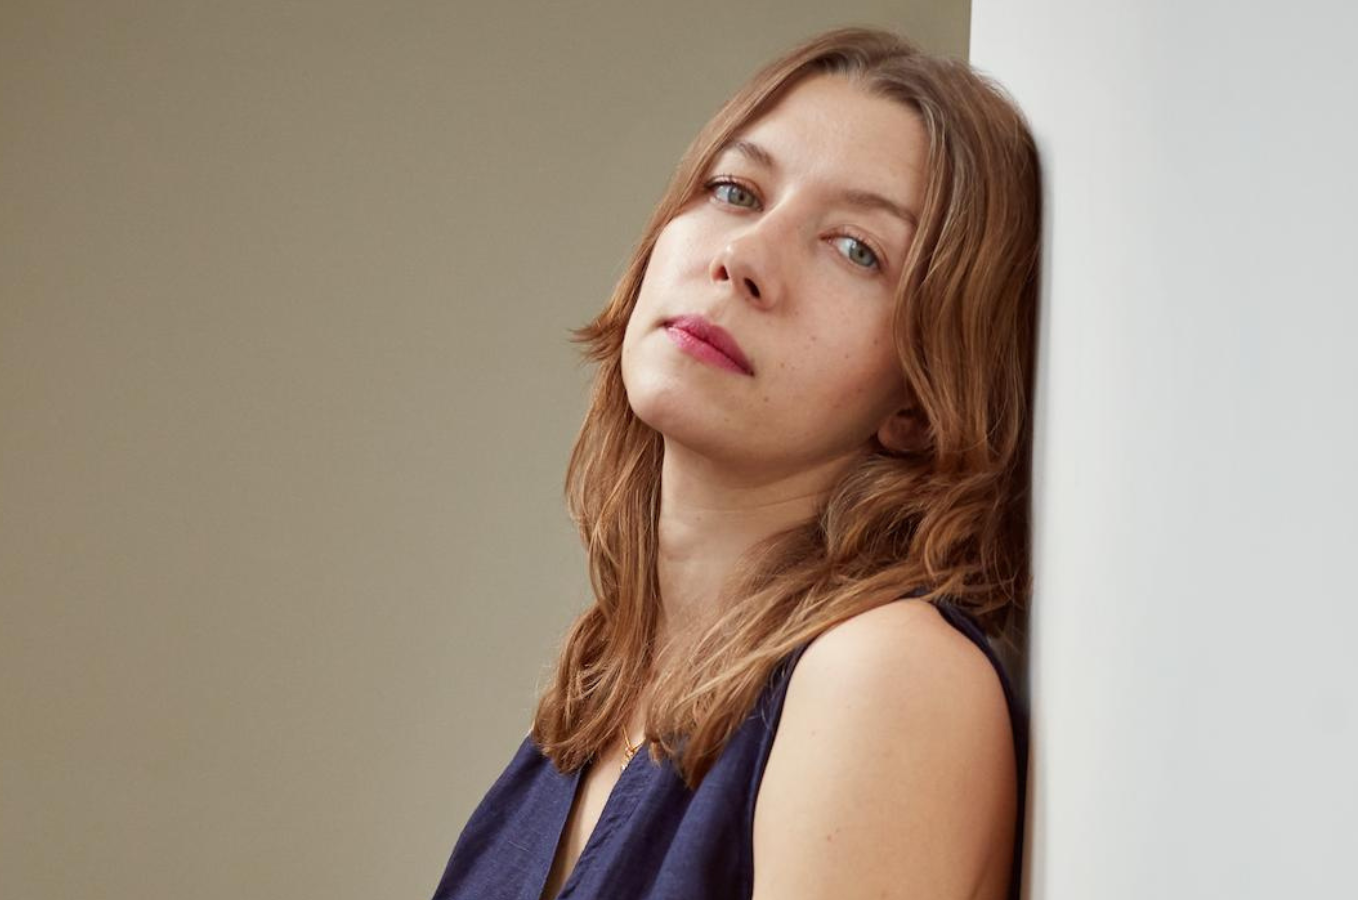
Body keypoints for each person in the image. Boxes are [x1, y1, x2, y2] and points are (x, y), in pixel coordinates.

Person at [431, 24, 1040, 900]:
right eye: (734, 190)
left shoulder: (883, 677)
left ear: (918, 398)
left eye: (857, 248)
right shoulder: (604, 692)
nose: (743, 258)